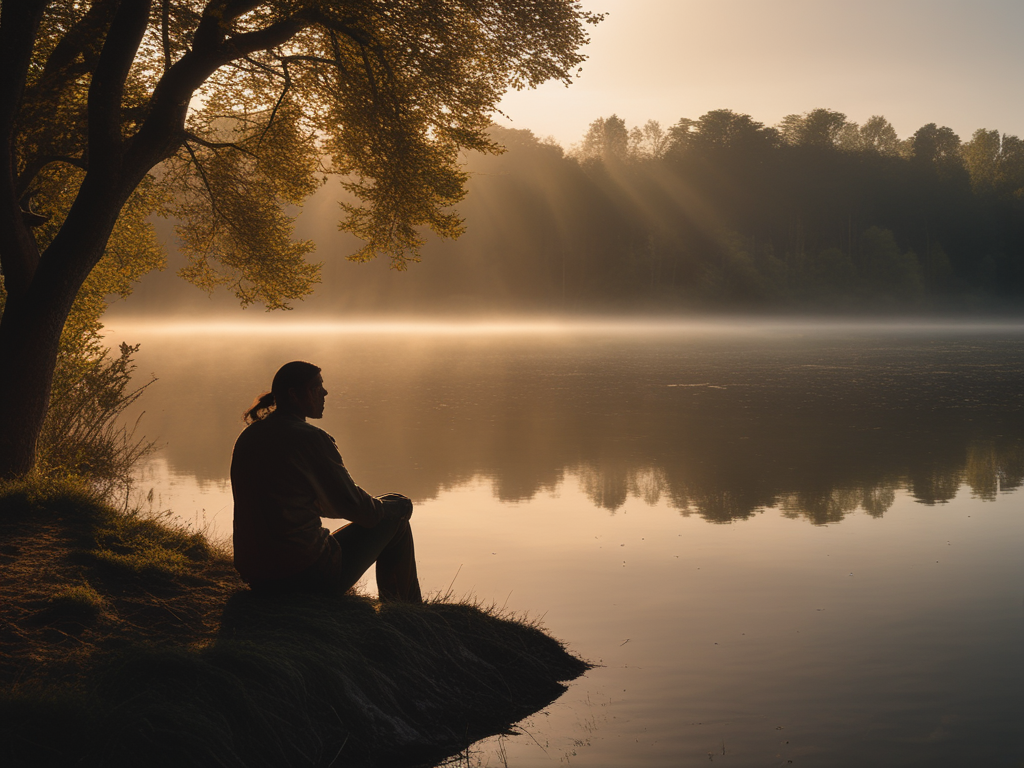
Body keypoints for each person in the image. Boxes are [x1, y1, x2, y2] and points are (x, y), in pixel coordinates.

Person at [230, 361, 421, 602]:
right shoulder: (310, 439)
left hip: (256, 574)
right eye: (316, 387)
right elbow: (359, 509)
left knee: (388, 509)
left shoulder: (249, 435)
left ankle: (405, 610)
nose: (325, 392)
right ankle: (408, 611)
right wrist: (398, 508)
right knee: (397, 515)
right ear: (294, 395)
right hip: (302, 576)